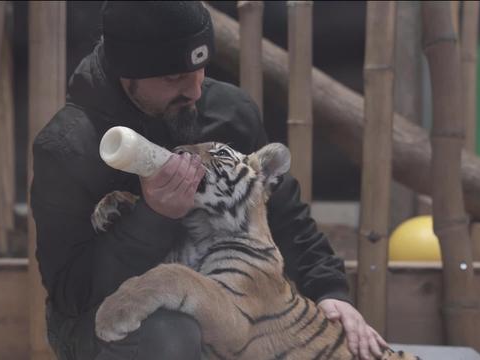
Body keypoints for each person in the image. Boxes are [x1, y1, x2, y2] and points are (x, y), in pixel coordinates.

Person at [31, 2, 385, 360]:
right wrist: (152, 218)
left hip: (226, 305)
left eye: (199, 69)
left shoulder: (228, 111)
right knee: (173, 332)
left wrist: (330, 292)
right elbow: (71, 292)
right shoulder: (67, 146)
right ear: (126, 71)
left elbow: (283, 214)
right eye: (174, 77)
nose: (196, 91)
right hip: (104, 317)